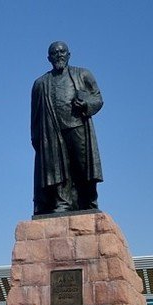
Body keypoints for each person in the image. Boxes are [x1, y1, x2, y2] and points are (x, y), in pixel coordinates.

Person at [31, 41, 104, 215]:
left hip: (77, 127)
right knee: (56, 168)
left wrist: (86, 103)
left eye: (62, 52)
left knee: (82, 165)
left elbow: (98, 98)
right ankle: (62, 203)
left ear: (69, 54)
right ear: (49, 58)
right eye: (55, 53)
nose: (59, 55)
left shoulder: (83, 74)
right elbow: (34, 115)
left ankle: (87, 201)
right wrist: (36, 138)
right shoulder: (40, 83)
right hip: (52, 131)